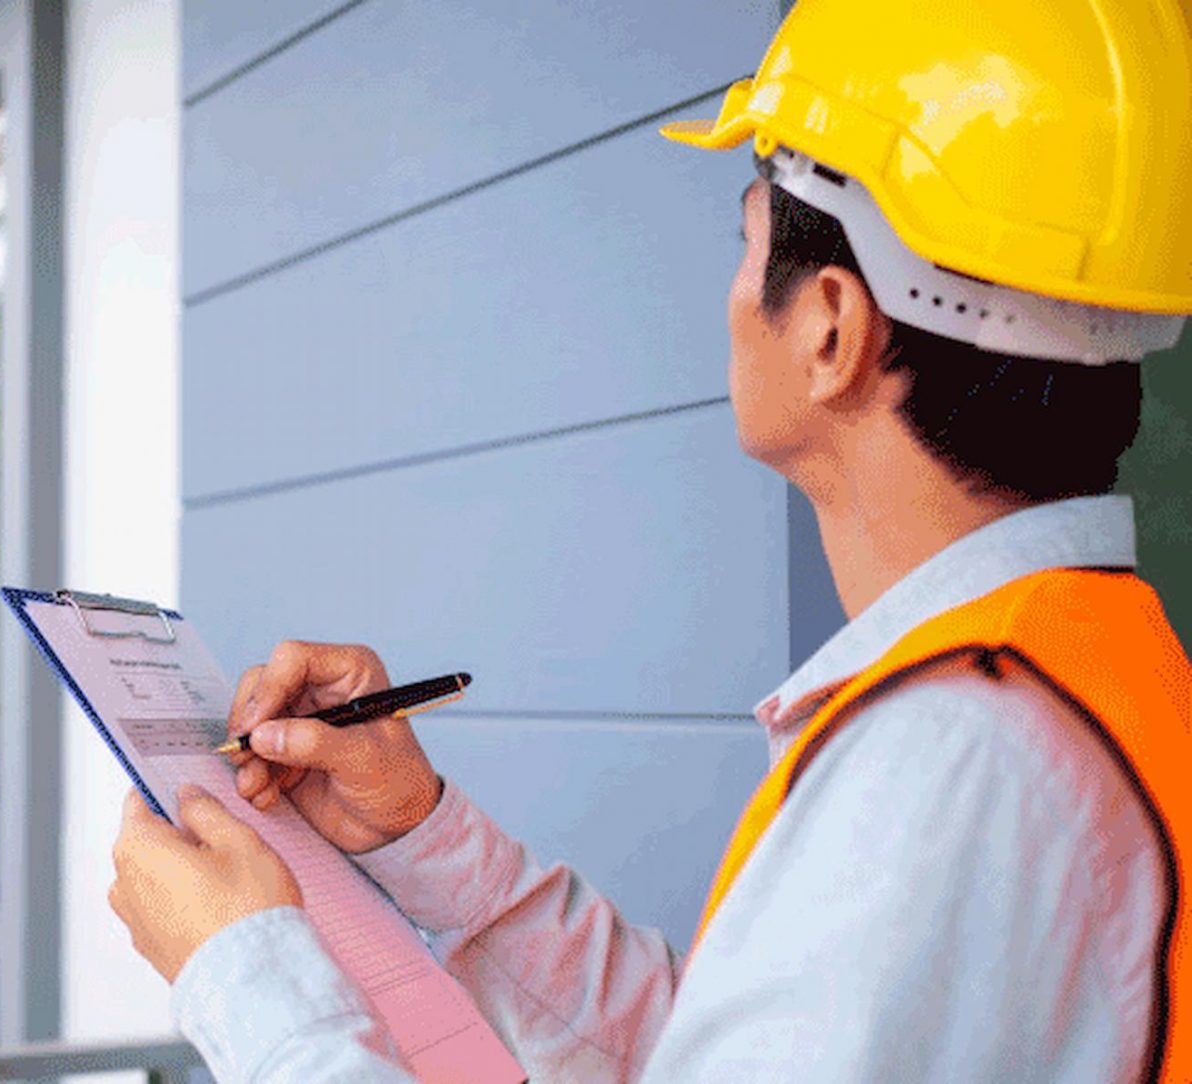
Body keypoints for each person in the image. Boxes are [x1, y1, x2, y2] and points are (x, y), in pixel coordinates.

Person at [105, 0, 1192, 1079]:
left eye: (745, 239)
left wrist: (240, 975)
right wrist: (422, 835)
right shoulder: (1078, 681)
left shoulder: (955, 762)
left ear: (830, 328)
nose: (725, 296)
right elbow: (725, 1051)